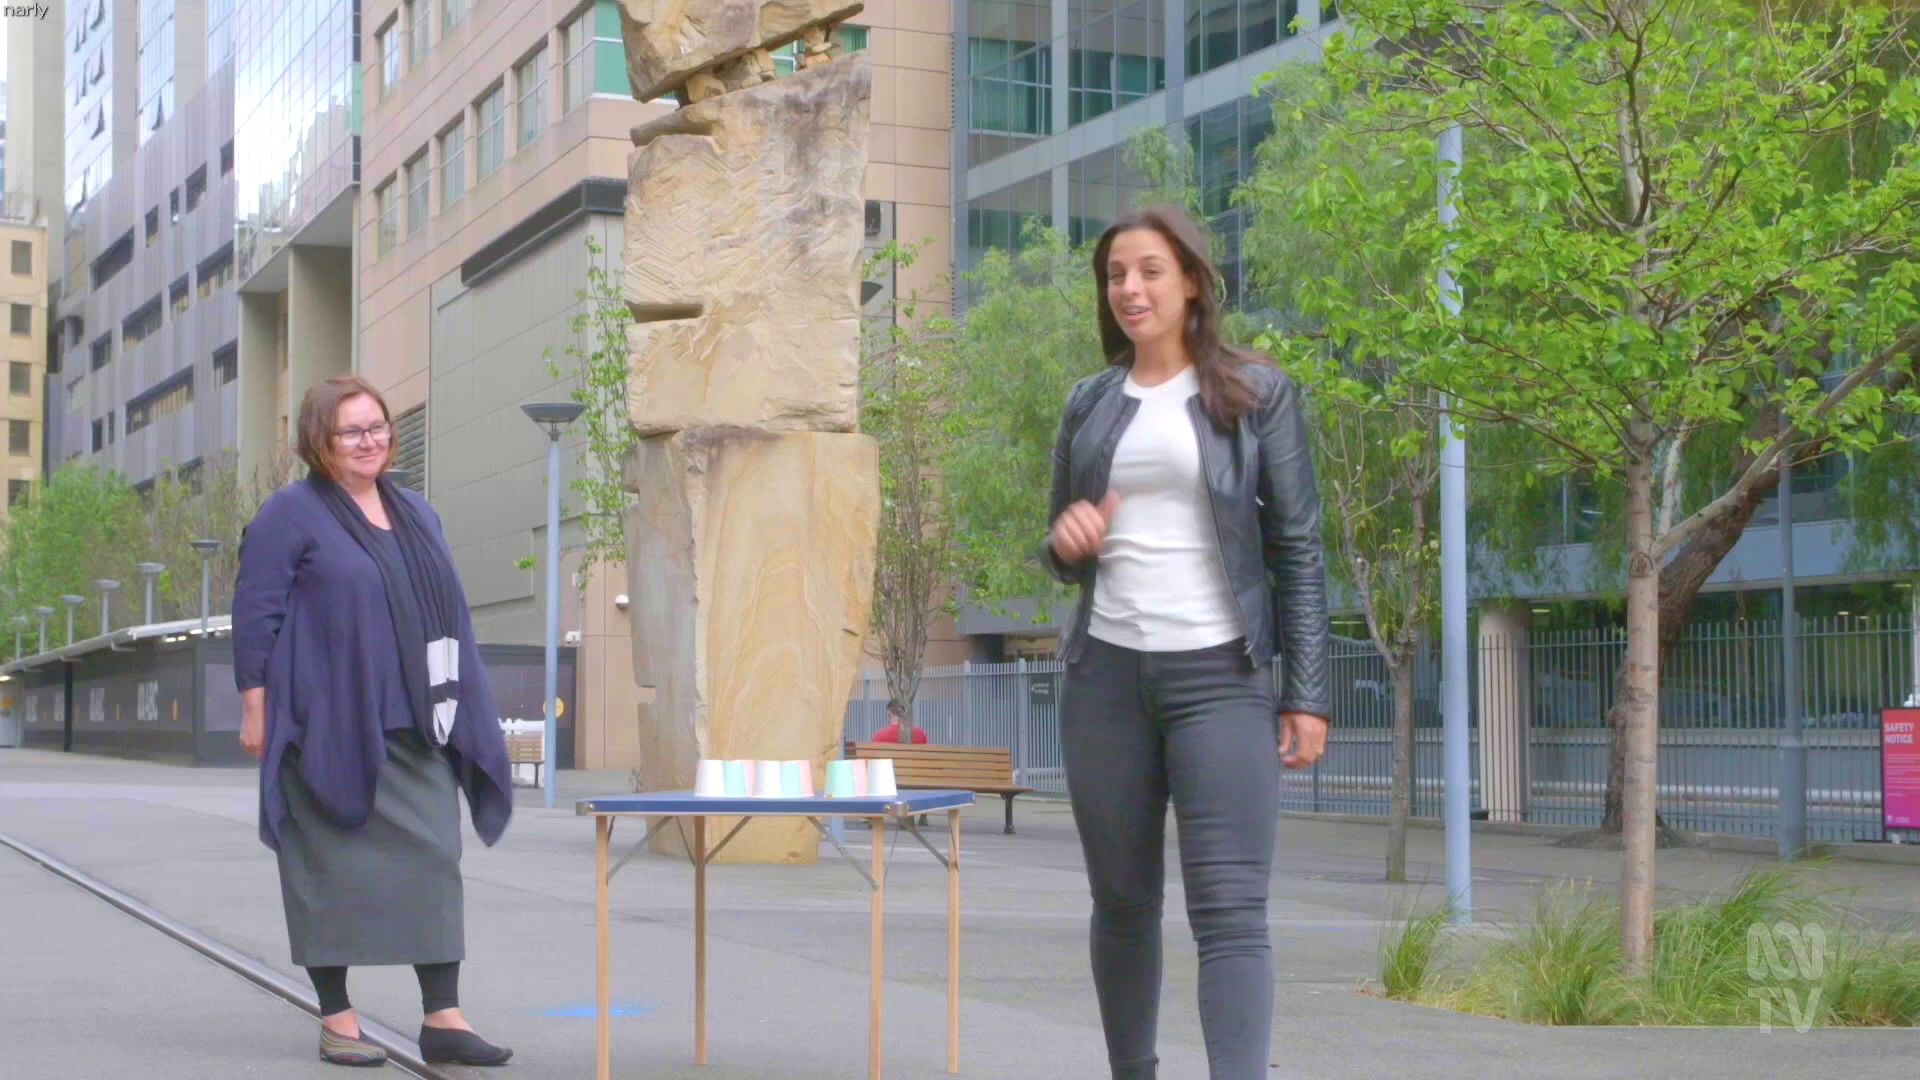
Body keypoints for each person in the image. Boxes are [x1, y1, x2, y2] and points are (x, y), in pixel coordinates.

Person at [1042, 206, 1333, 1080]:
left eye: (1149, 271)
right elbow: (1055, 549)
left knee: (1231, 912)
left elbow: (1297, 547)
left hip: (1220, 677)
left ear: (1194, 282)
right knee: (1122, 903)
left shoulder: (1257, 393)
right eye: (1115, 275)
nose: (1129, 289)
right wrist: (1067, 541)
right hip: (1105, 680)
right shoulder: (1090, 403)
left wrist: (1307, 693)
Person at [235, 375, 516, 1068]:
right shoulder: (290, 514)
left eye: (378, 426)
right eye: (352, 431)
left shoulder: (417, 511)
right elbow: (256, 614)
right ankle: (337, 1018)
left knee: (434, 859)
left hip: (419, 718)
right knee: (324, 870)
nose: (371, 441)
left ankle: (443, 1016)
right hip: (322, 722)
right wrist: (255, 710)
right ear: (319, 441)